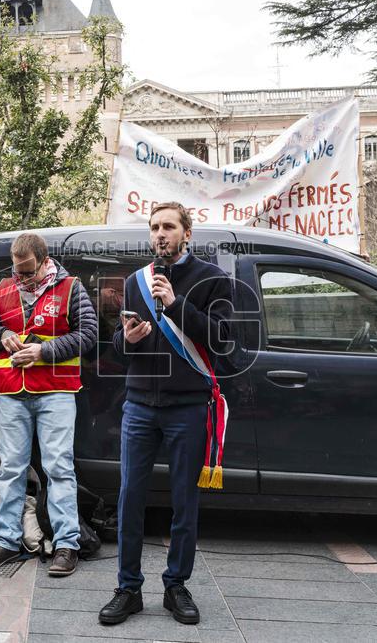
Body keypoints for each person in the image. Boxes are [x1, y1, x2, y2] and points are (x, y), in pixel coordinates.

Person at [100, 202, 233, 627]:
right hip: (139, 405)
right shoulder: (138, 281)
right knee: (129, 499)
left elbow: (223, 340)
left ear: (187, 233)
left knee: (183, 501)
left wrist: (176, 306)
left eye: (169, 227)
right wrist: (129, 339)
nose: (160, 234)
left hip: (188, 408)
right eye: (155, 227)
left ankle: (176, 585)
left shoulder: (213, 280)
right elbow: (118, 349)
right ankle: (128, 588)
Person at [0, 233, 98, 576]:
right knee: (11, 468)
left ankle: (66, 545)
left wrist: (45, 351)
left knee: (59, 467)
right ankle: (6, 542)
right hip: (13, 390)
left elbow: (88, 335)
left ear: (45, 261)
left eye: (28, 272)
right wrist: (1, 335)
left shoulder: (71, 287)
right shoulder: (4, 288)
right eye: (18, 272)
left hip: (56, 390)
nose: (23, 279)